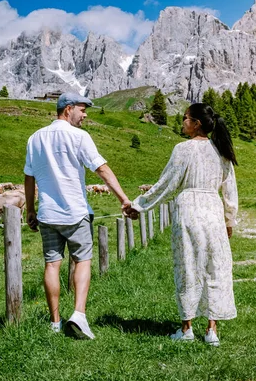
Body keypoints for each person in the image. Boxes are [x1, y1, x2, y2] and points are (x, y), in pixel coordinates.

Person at [128, 103, 238, 346]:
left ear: (196, 123)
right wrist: (229, 220)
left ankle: (186, 328)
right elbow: (230, 191)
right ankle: (212, 331)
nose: (182, 122)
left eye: (186, 118)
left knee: (188, 266)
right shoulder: (221, 151)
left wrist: (138, 205)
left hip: (188, 210)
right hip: (212, 211)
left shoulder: (182, 150)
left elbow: (166, 184)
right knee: (215, 267)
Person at [24, 92, 132, 339]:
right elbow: (102, 169)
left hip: (48, 215)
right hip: (75, 213)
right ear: (68, 109)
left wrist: (30, 209)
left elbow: (28, 177)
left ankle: (54, 322)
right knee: (82, 260)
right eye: (82, 110)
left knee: (52, 264)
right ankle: (79, 315)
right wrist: (124, 199)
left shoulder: (35, 138)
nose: (84, 116)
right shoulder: (79, 137)